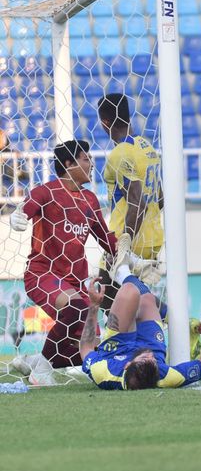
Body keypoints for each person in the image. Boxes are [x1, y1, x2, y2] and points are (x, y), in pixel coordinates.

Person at [8, 140, 117, 385]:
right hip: (42, 274)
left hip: (75, 283)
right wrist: (18, 215)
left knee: (92, 349)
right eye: (86, 159)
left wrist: (129, 255)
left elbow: (107, 240)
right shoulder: (46, 192)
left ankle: (36, 361)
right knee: (77, 308)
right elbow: (27, 207)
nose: (91, 164)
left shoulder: (90, 199)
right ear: (69, 164)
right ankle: (41, 371)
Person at [78, 264, 201, 390]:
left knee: (130, 291)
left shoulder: (105, 373)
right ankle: (180, 322)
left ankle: (122, 270)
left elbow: (85, 348)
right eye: (154, 361)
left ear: (127, 365)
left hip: (117, 348)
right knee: (147, 299)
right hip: (150, 342)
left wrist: (94, 305)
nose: (150, 355)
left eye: (145, 358)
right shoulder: (166, 376)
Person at [98, 93, 164, 279]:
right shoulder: (146, 147)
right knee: (136, 296)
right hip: (151, 240)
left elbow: (137, 204)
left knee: (104, 294)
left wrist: (123, 247)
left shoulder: (120, 154)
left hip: (127, 241)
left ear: (104, 123)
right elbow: (160, 198)